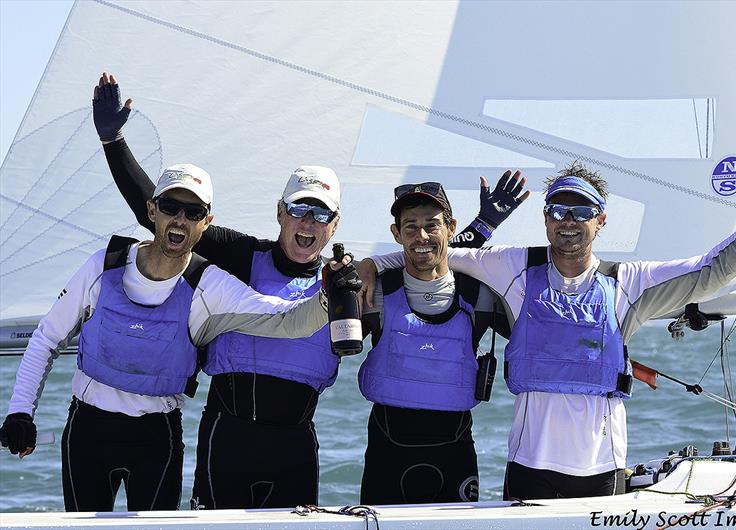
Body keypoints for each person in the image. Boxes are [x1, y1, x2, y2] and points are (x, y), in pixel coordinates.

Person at [91, 72, 509, 508]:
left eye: (320, 214)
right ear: (280, 212)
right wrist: (113, 141)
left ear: (335, 226)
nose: (307, 223)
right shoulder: (241, 255)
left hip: (295, 445)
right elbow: (159, 220)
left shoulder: (346, 283)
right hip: (227, 436)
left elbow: (424, 253)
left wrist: (480, 229)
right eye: (299, 210)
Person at [360, 161, 736, 500]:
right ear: (546, 219)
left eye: (581, 211)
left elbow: (712, 271)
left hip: (601, 470)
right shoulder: (514, 267)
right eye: (559, 211)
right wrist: (366, 266)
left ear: (600, 220)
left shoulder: (628, 283)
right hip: (528, 467)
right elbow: (426, 253)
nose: (569, 220)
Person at [0, 162, 357, 512]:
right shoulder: (104, 265)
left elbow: (287, 320)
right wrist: (20, 412)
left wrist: (330, 295)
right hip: (90, 431)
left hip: (159, 437)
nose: (180, 219)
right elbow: (46, 338)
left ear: (206, 223)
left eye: (193, 211)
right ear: (152, 210)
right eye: (171, 207)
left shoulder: (210, 285)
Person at [357, 176, 528, 505]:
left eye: (432, 225)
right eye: (410, 227)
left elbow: (534, 341)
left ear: (451, 228)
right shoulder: (373, 291)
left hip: (455, 455)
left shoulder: (482, 294)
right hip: (387, 455)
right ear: (396, 234)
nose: (421, 236)